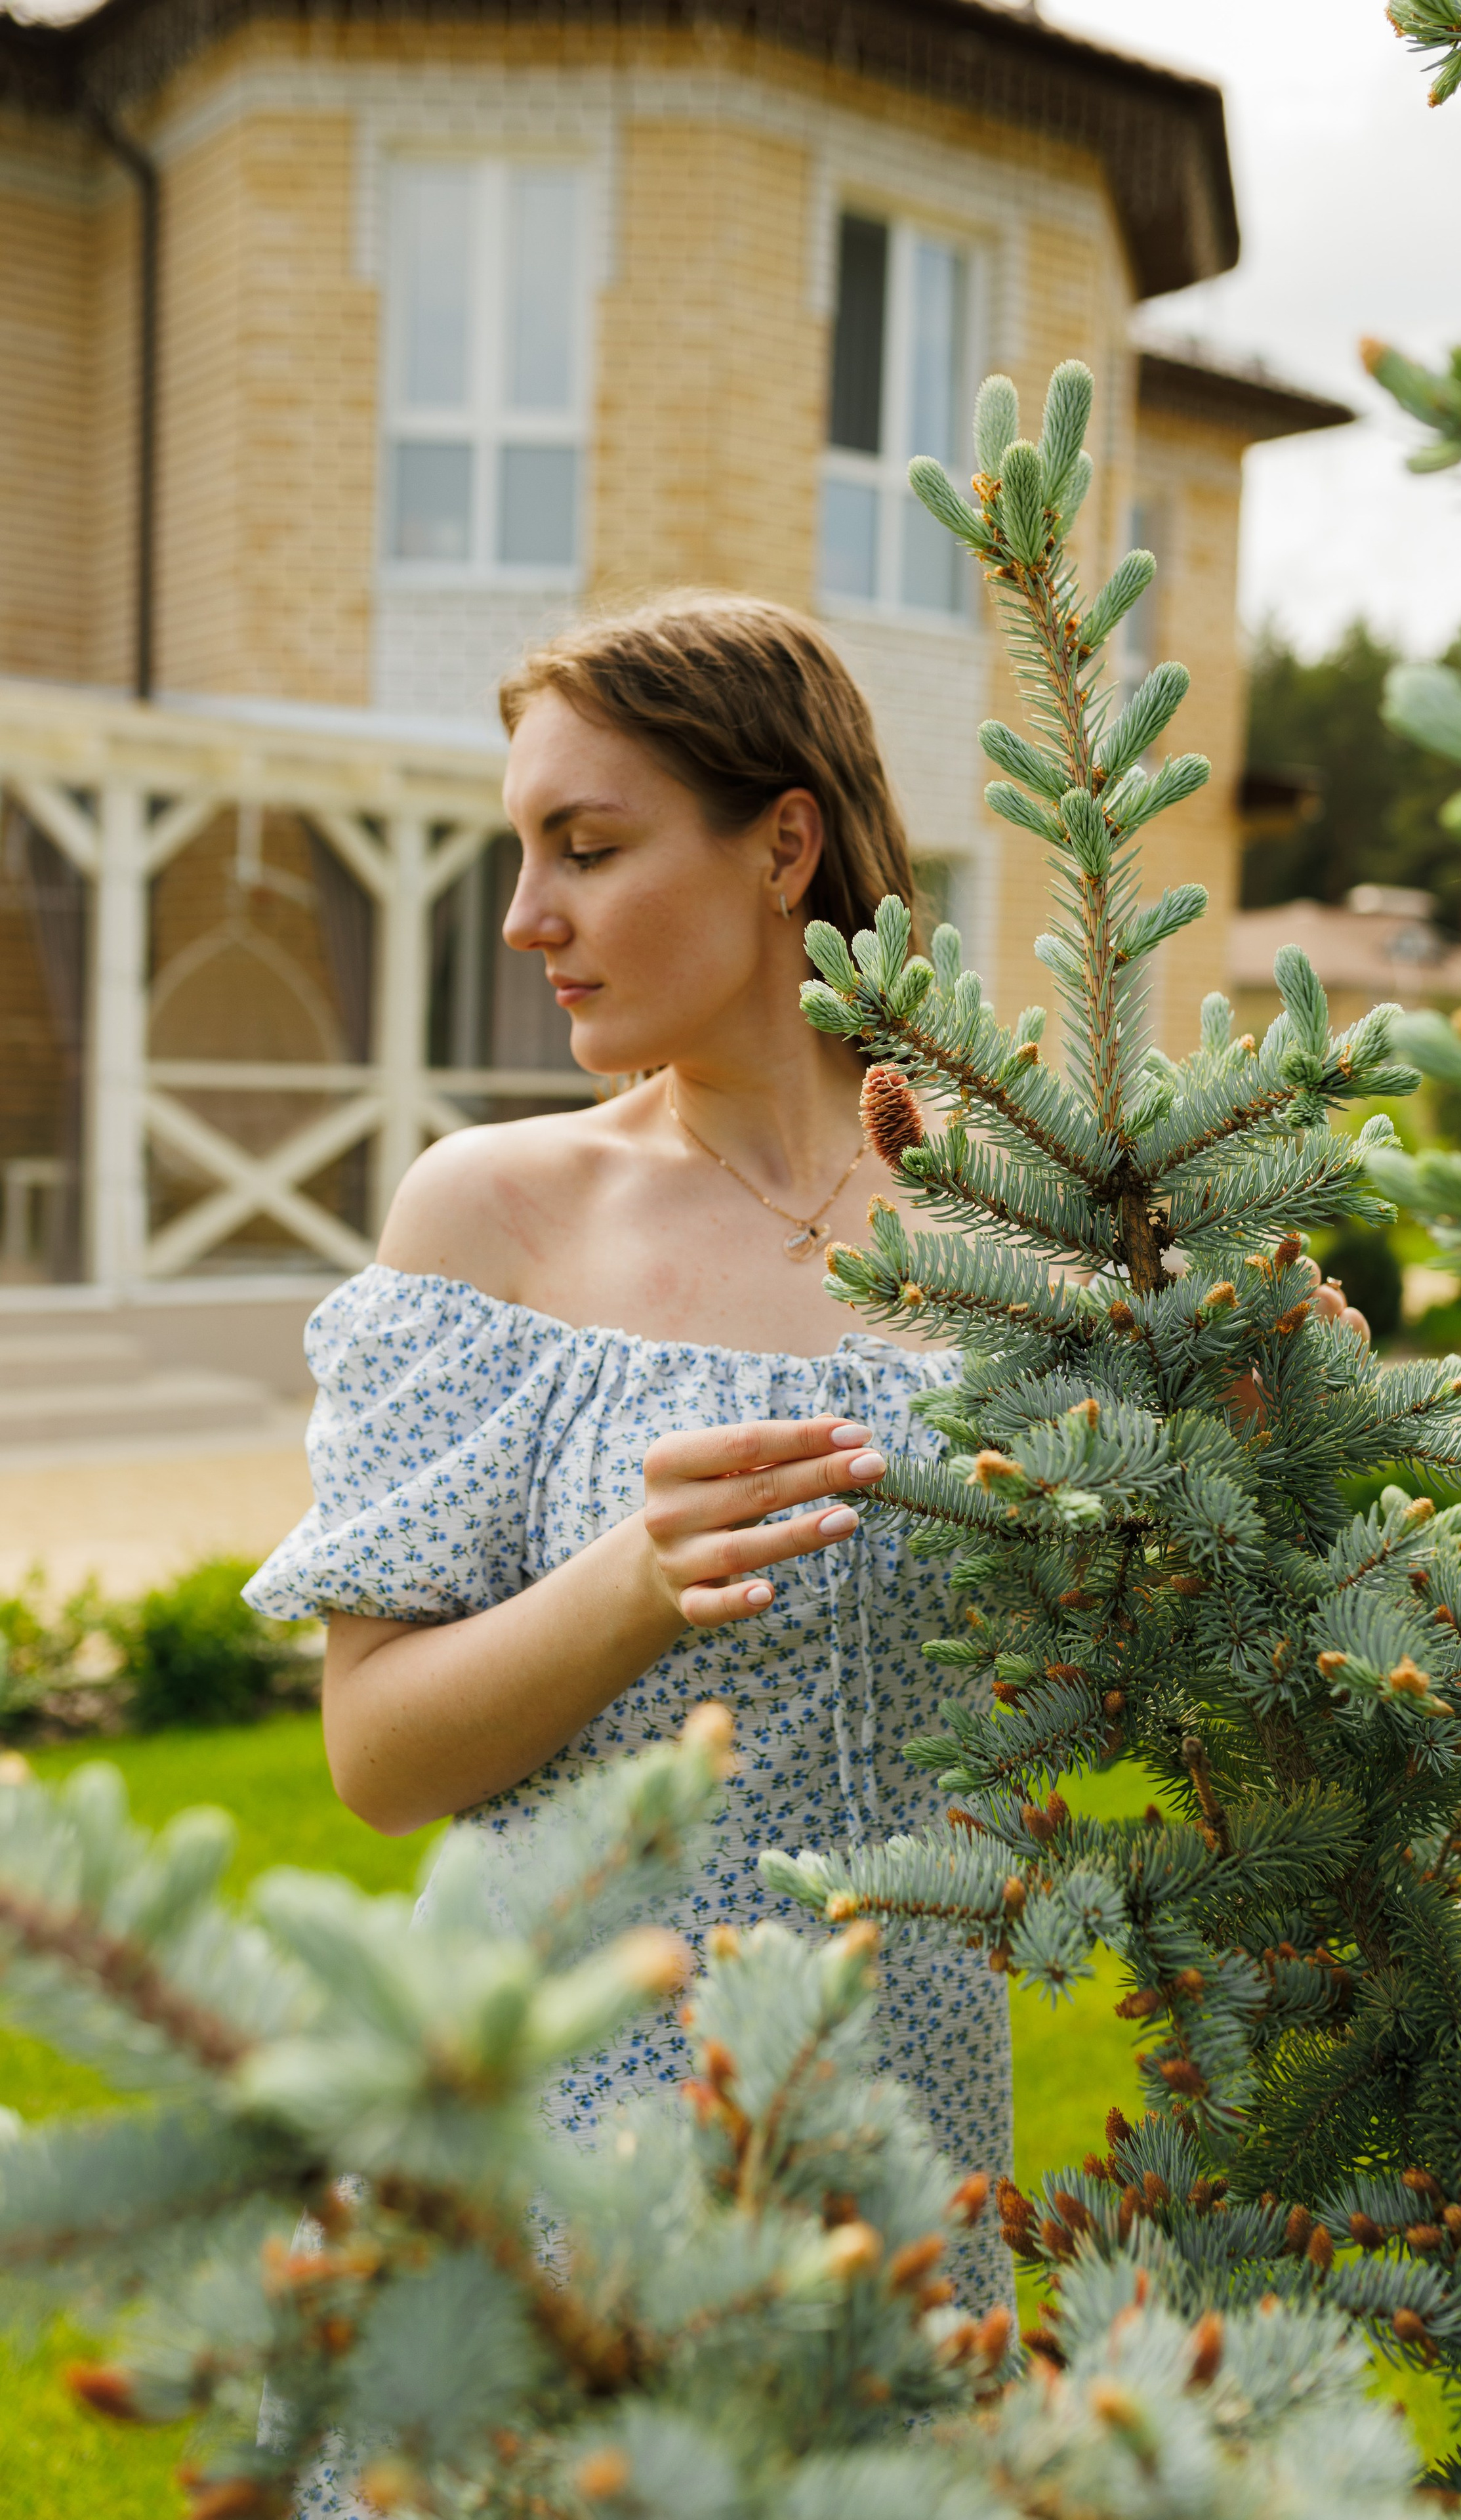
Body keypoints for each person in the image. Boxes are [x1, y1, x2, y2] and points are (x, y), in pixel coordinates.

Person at [245, 597, 1017, 2387]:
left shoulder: (1013, 1230)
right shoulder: (489, 1217)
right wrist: (624, 1586)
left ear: (784, 845)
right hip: (545, 2168)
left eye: (585, 849)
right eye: (525, 852)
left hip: (902, 2163)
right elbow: (376, 1758)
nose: (529, 918)